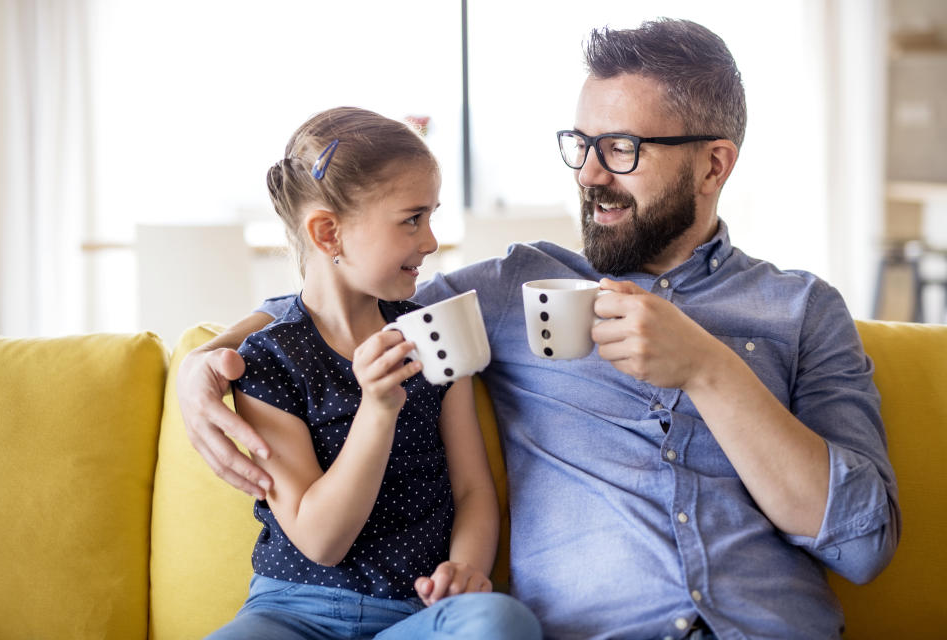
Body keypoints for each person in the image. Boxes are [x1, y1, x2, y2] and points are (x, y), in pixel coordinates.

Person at [179, 20, 900, 640]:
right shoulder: (512, 290)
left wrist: (709, 371)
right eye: (580, 144)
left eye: (621, 148)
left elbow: (863, 545)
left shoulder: (802, 309)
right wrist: (204, 360)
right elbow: (352, 289)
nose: (589, 173)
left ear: (714, 164)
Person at [202, 107, 541, 640]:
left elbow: (474, 489)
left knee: (500, 622)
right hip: (291, 613)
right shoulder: (267, 359)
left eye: (431, 216)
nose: (430, 241)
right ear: (328, 233)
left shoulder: (431, 333)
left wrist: (466, 568)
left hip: (413, 615)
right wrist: (378, 409)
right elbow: (321, 540)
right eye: (412, 219)